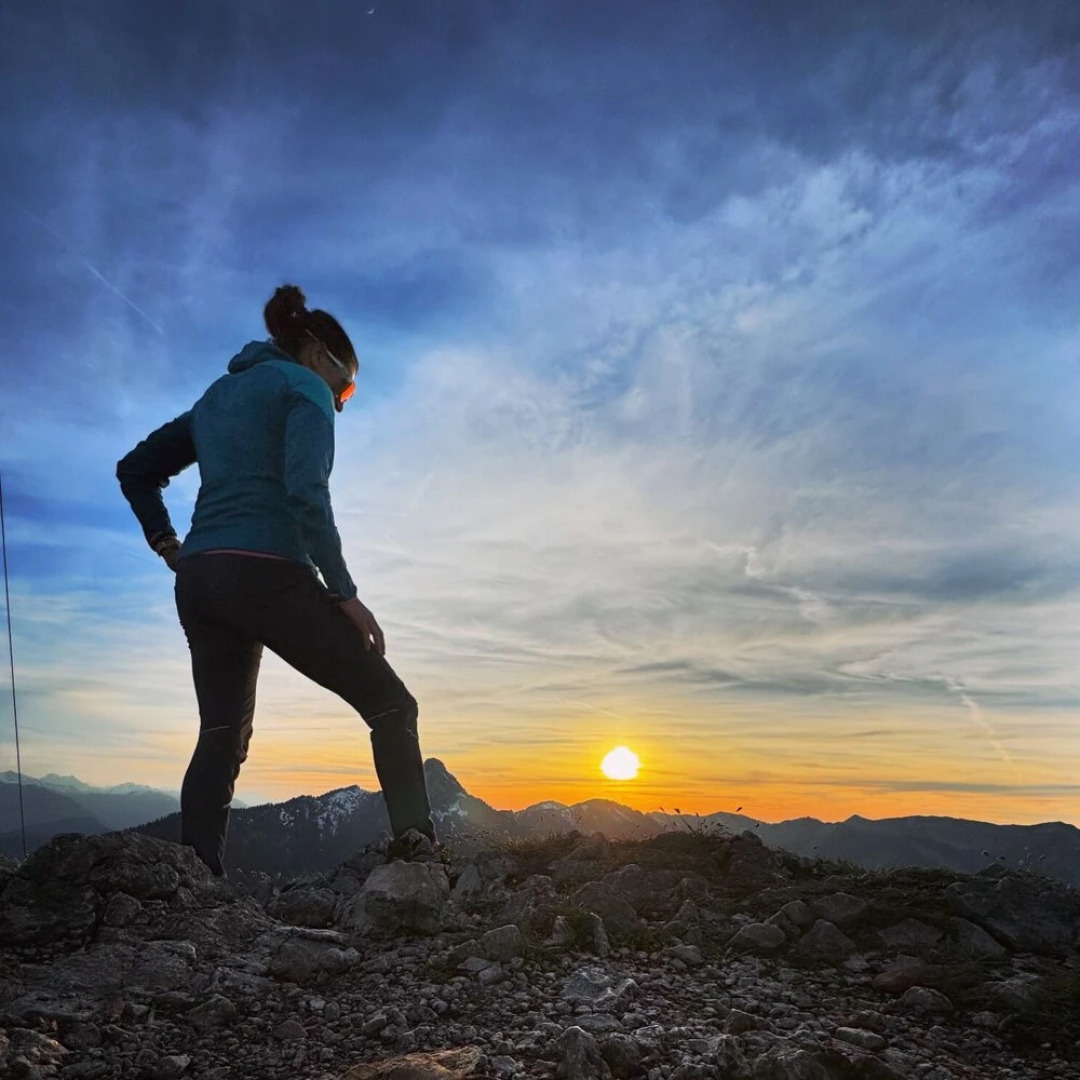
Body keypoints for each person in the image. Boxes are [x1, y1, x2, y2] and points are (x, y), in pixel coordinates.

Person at [116, 284, 437, 876]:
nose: (341, 401)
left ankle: (195, 887)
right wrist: (344, 594)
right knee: (392, 706)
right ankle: (420, 863)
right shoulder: (303, 388)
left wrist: (167, 543)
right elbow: (306, 492)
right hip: (268, 573)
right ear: (316, 352)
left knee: (220, 732)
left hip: (199, 579)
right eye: (347, 386)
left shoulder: (216, 397)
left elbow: (135, 469)